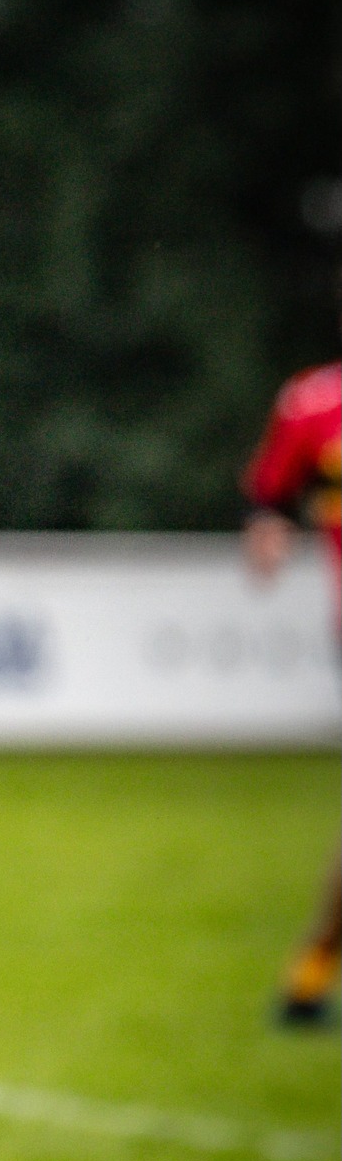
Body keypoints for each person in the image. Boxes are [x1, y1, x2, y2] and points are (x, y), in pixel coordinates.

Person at [242, 358, 342, 1024]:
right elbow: (268, 498)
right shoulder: (312, 402)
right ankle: (309, 972)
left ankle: (307, 978)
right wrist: (266, 529)